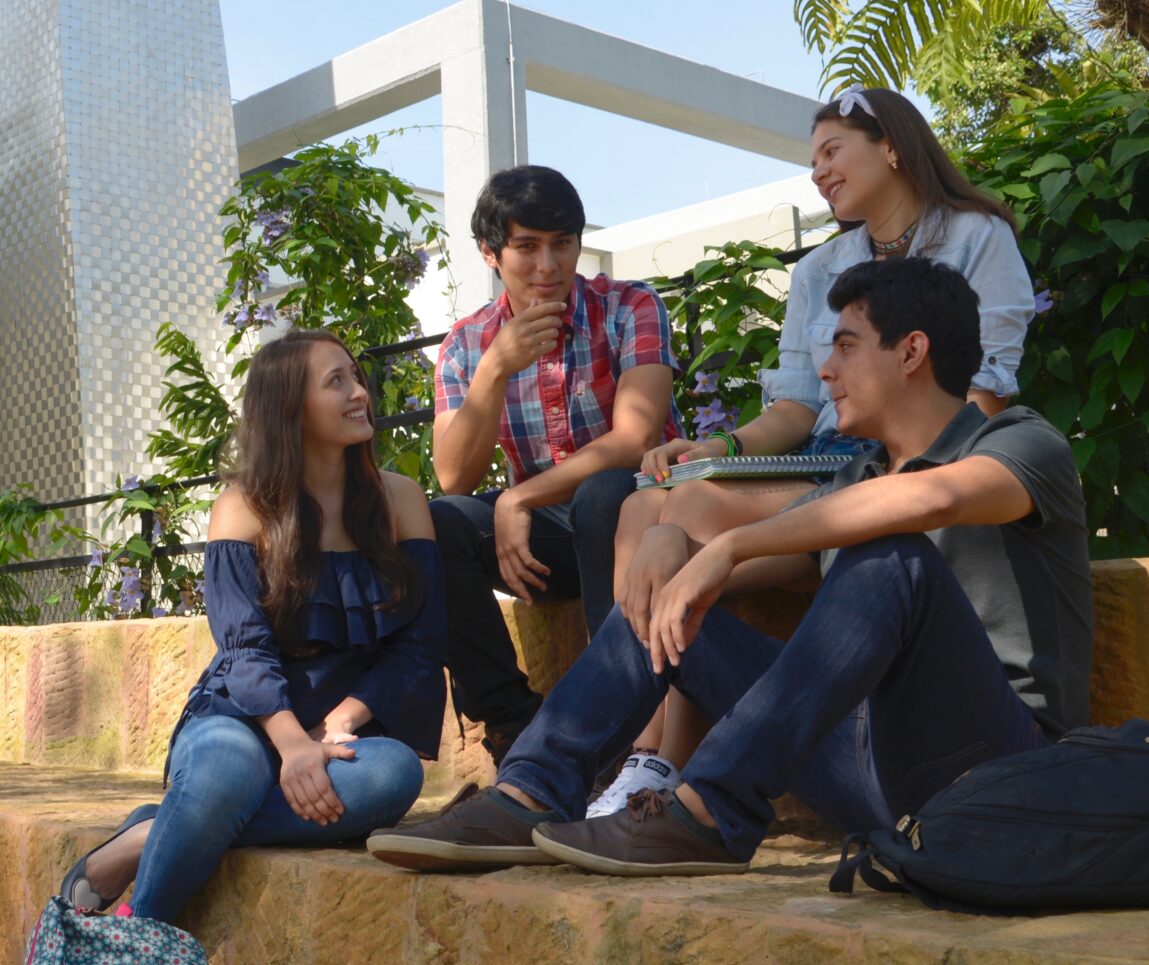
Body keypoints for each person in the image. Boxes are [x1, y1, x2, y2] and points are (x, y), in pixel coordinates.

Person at [366, 257, 1092, 879]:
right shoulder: (857, 480)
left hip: (996, 772)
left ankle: (709, 811)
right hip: (867, 769)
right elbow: (738, 571)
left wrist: (731, 543)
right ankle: (528, 791)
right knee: (669, 598)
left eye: (845, 345)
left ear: (911, 352)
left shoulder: (1022, 443)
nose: (827, 370)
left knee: (889, 557)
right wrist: (675, 550)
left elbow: (932, 499)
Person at [591, 84, 1039, 818]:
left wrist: (912, 461)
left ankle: (670, 763)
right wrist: (721, 443)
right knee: (648, 506)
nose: (819, 172)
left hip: (908, 461)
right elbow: (798, 406)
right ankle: (649, 756)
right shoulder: (817, 269)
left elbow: (980, 388)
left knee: (694, 509)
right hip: (830, 459)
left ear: (890, 144)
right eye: (812, 160)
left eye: (833, 151)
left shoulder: (975, 235)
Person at [58, 330, 446, 927]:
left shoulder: (400, 500)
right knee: (227, 773)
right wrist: (294, 743)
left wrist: (335, 725)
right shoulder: (245, 506)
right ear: (289, 408)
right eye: (335, 382)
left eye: (356, 377)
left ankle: (154, 832)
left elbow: (418, 648)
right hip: (241, 716)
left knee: (396, 775)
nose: (359, 393)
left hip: (343, 732)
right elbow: (244, 649)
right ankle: (142, 937)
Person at [428, 165, 681, 762]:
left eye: (562, 244)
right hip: (549, 544)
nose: (548, 266)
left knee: (602, 493)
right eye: (527, 247)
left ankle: (616, 718)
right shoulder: (466, 345)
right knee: (439, 523)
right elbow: (454, 477)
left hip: (642, 516)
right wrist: (494, 369)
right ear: (492, 254)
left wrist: (521, 496)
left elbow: (634, 437)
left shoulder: (629, 306)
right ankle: (513, 722)